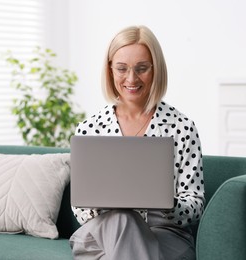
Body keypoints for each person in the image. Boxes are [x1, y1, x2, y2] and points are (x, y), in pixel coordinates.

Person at [69, 25, 205, 260]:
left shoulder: (181, 127)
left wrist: (168, 204)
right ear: (110, 70)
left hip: (166, 235)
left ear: (156, 70)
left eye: (141, 68)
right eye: (122, 68)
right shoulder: (90, 129)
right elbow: (80, 209)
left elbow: (195, 204)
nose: (131, 79)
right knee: (122, 219)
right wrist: (104, 204)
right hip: (101, 234)